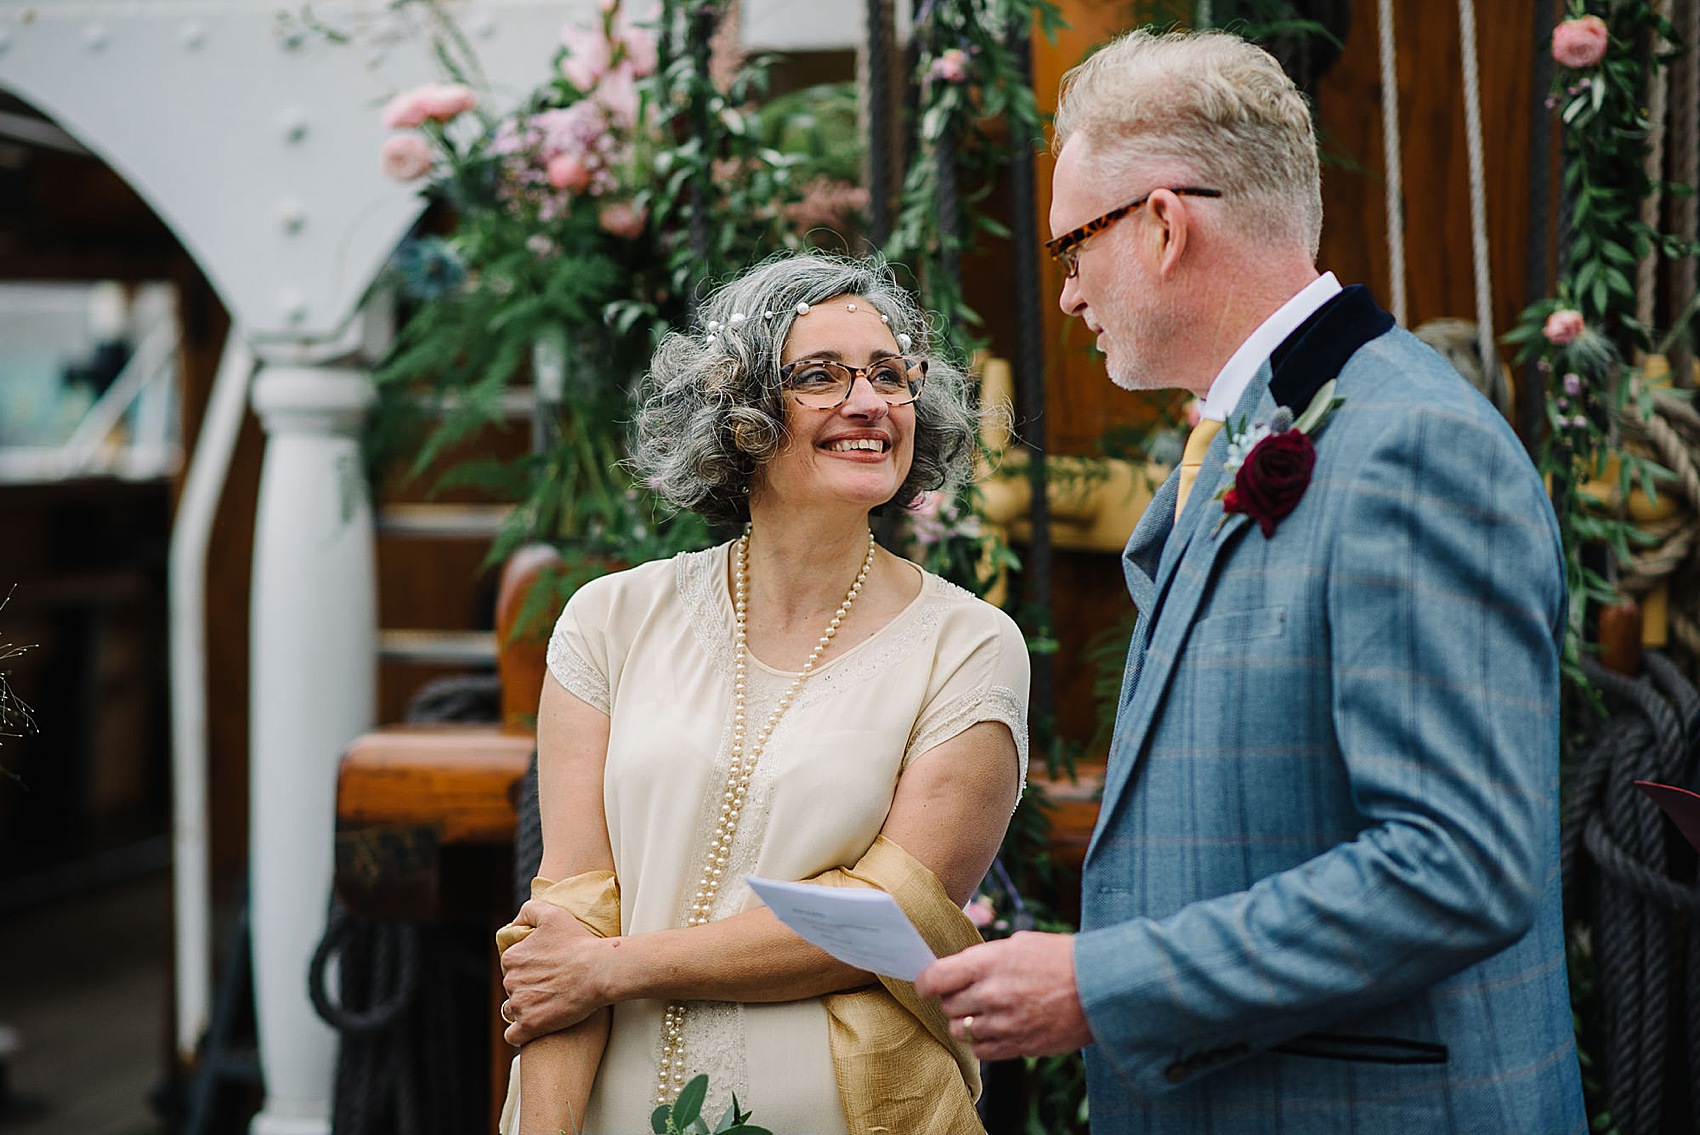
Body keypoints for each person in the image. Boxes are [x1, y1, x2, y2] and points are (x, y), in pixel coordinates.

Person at [915, 27, 1587, 1134]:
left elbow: (1455, 864)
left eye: (1069, 249)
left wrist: (1101, 983)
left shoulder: (1410, 444)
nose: (1070, 297)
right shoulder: (1251, 432)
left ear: (1164, 225)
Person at [495, 252, 1030, 1135]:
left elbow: (885, 917)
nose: (869, 402)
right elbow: (566, 932)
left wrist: (617, 968)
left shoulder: (967, 646)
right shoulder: (611, 620)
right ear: (740, 414)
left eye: (890, 375)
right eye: (821, 375)